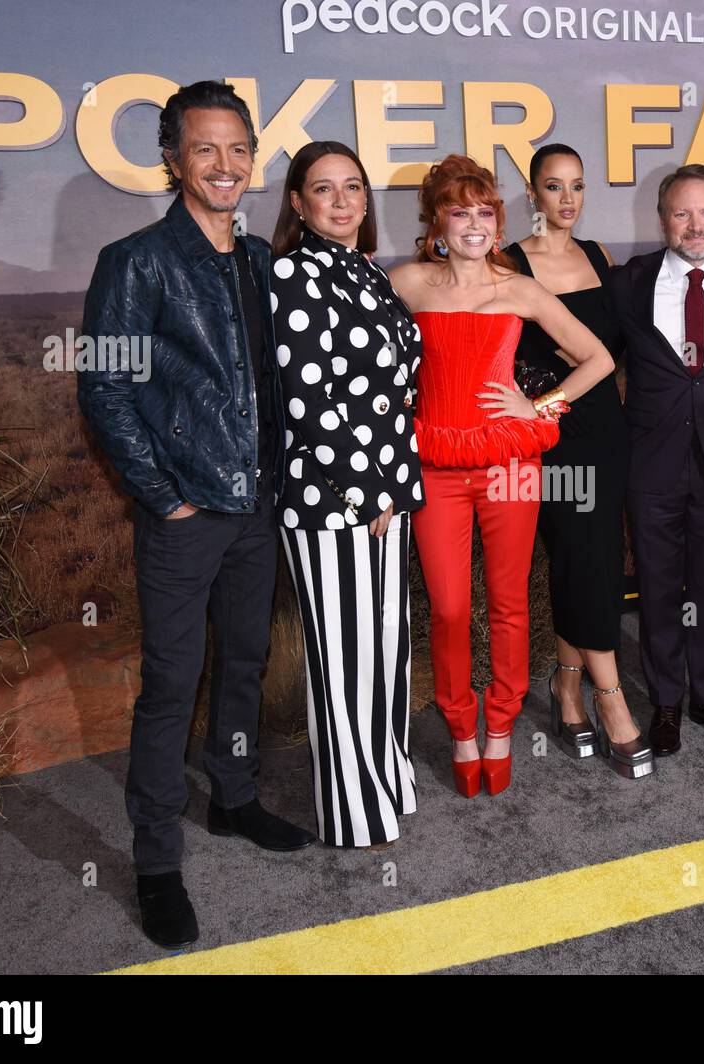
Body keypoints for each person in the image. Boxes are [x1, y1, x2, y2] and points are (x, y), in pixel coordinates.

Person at [78, 81, 312, 951]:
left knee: (243, 663)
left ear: (254, 157)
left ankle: (236, 798)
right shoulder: (134, 261)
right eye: (204, 149)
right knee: (173, 684)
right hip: (185, 515)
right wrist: (163, 495)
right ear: (172, 158)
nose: (224, 165)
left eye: (238, 148)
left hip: (257, 506)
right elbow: (102, 387)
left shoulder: (257, 262)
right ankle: (154, 860)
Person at [387, 154, 615, 797]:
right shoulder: (405, 283)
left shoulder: (518, 288)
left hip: (511, 464)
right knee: (452, 607)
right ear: (436, 220)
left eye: (485, 212)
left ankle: (501, 728)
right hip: (434, 464)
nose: (474, 224)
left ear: (499, 220)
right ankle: (461, 726)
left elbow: (596, 357)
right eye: (460, 212)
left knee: (511, 602)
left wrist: (540, 405)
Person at [269, 141, 424, 847]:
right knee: (344, 659)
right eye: (323, 189)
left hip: (387, 495)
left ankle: (386, 781)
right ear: (297, 203)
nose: (341, 201)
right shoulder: (294, 274)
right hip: (332, 503)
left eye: (352, 187)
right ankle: (354, 812)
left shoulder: (366, 273)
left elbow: (394, 396)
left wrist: (391, 491)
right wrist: (366, 494)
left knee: (385, 650)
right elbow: (309, 403)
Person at [503, 144, 651, 780]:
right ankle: (610, 697)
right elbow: (501, 352)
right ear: (532, 194)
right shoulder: (507, 263)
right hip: (553, 438)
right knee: (582, 559)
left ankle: (567, 689)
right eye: (553, 187)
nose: (567, 199)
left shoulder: (598, 258)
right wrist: (538, 399)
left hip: (606, 432)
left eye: (578, 186)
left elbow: (608, 350)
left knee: (587, 560)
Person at [610, 164, 704, 757]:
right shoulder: (631, 283)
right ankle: (666, 702)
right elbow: (597, 360)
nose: (695, 225)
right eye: (681, 213)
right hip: (649, 464)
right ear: (662, 220)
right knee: (657, 586)